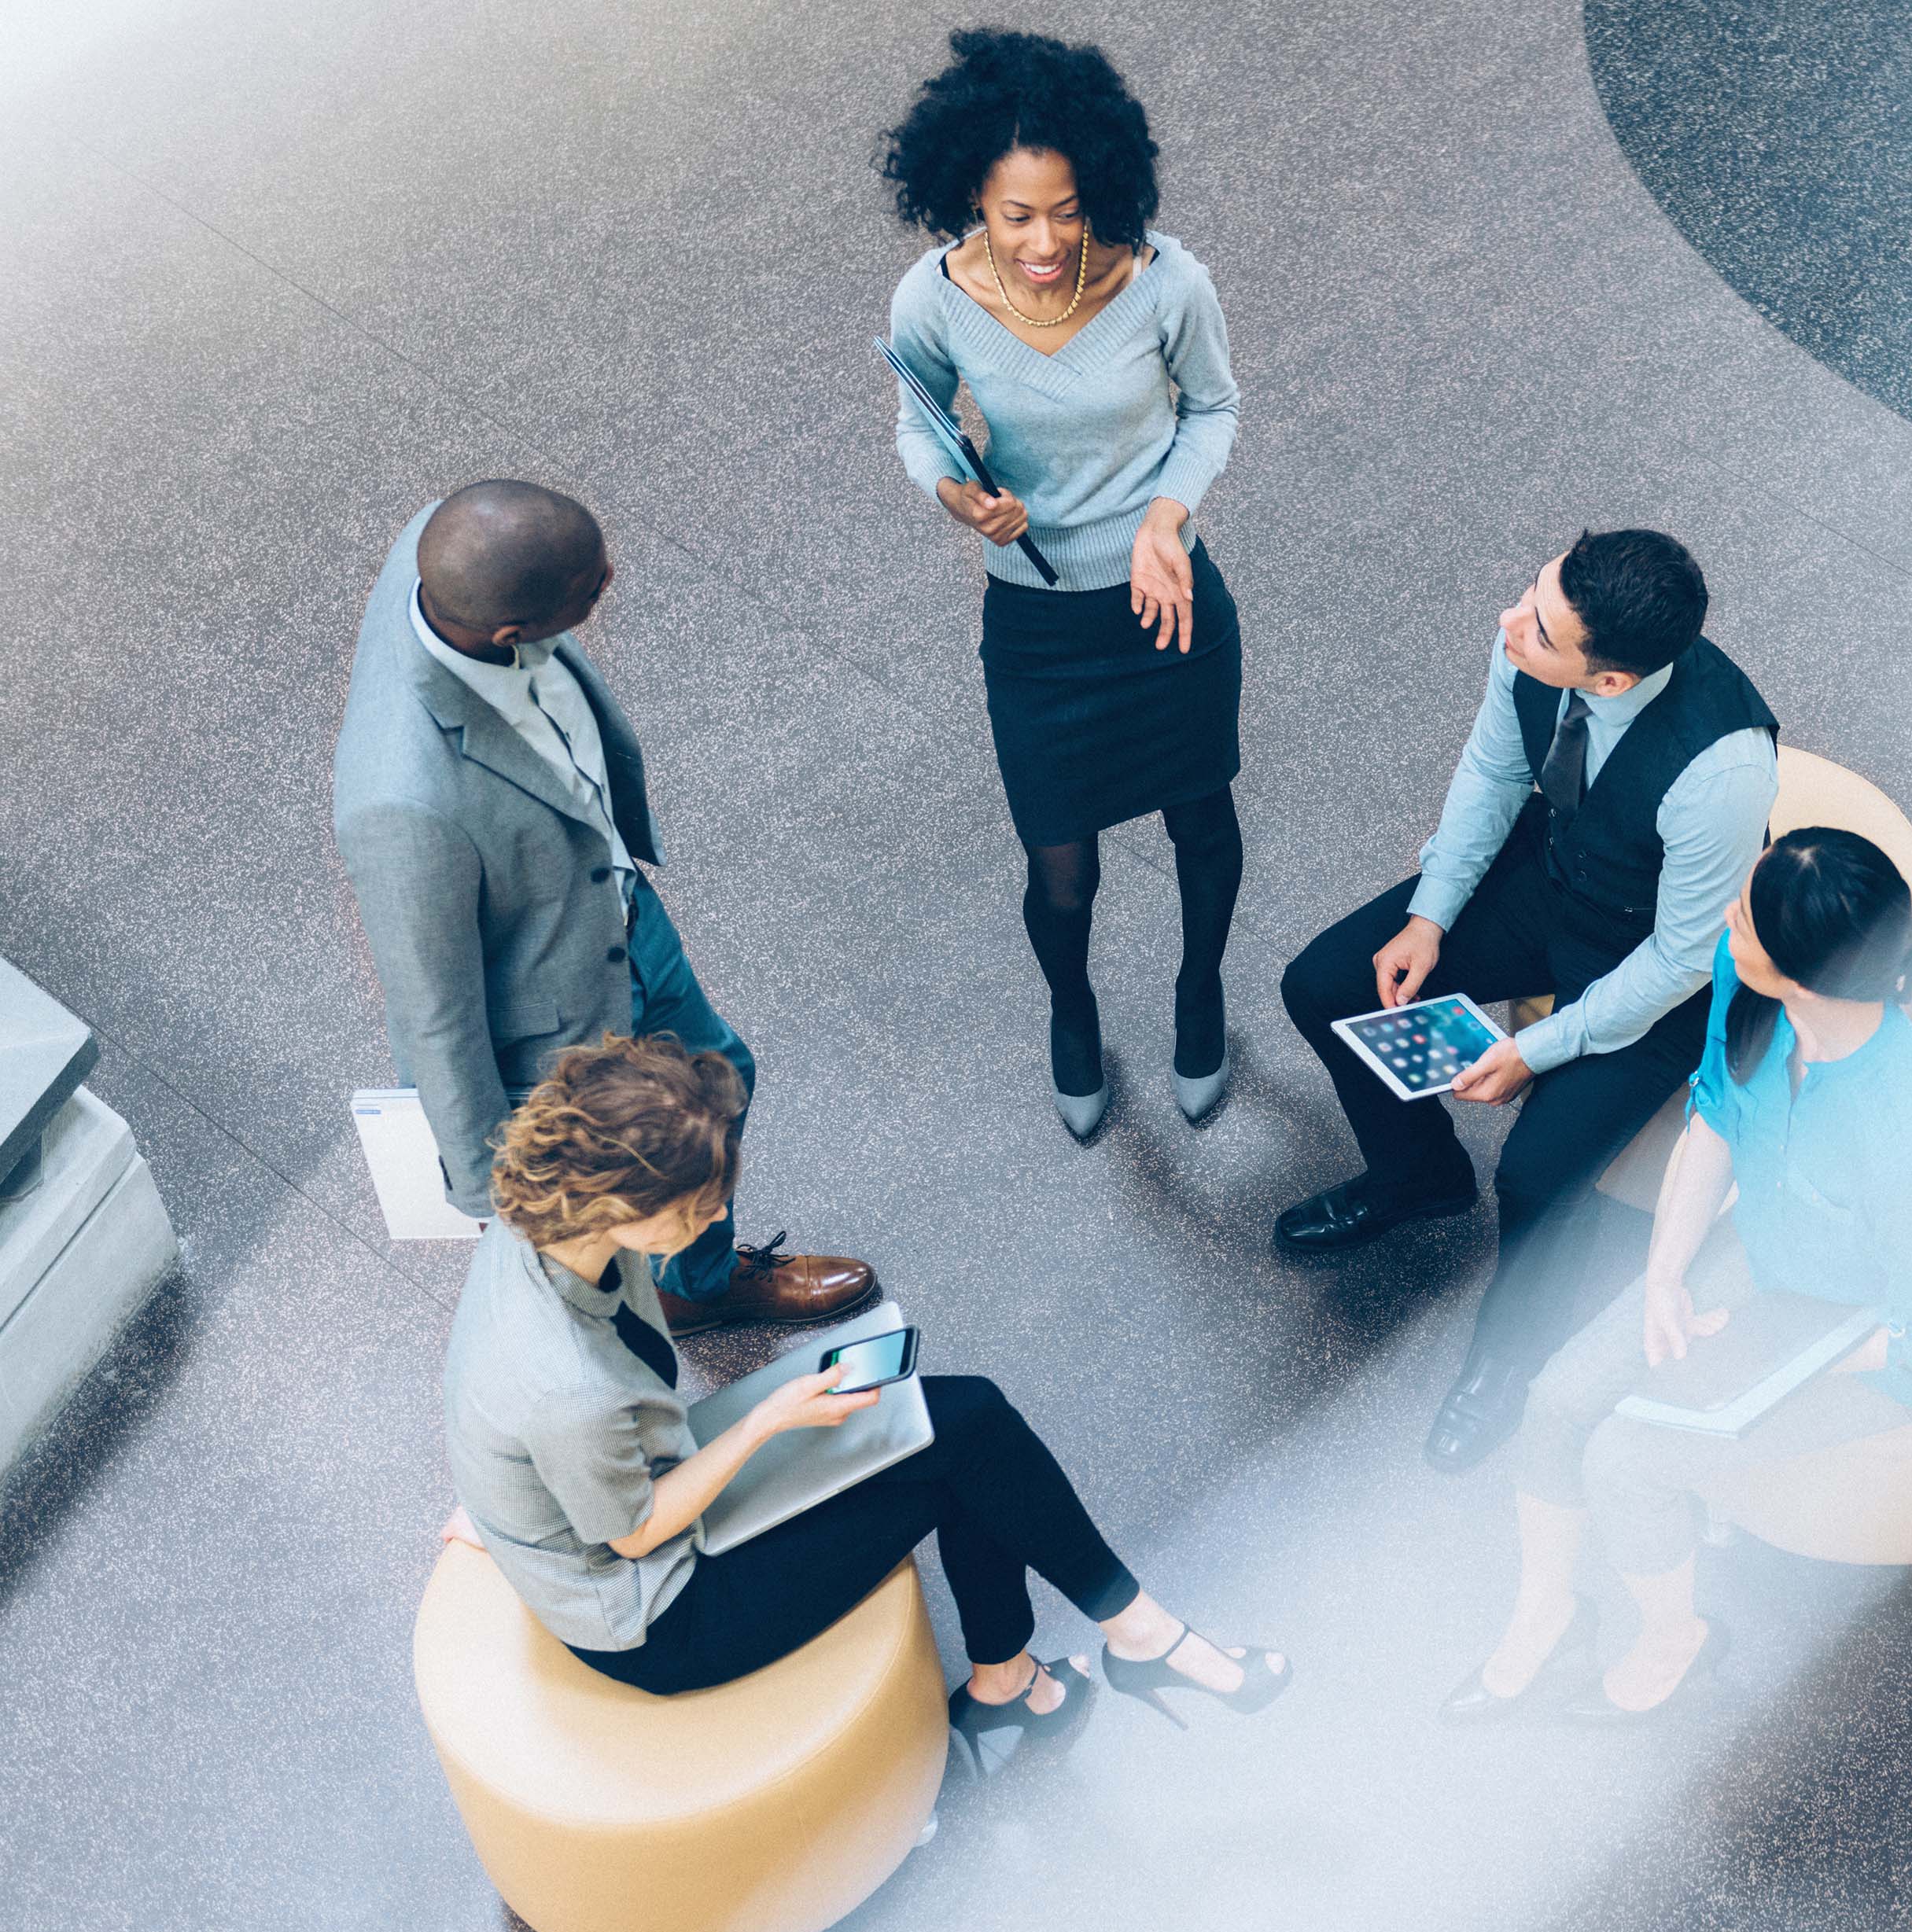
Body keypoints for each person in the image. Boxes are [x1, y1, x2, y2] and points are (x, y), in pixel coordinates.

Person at [439, 1034, 1288, 1768]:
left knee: (968, 1419)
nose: (707, 1226)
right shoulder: (565, 1386)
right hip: (664, 1614)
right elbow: (635, 1531)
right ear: (622, 1203)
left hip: (640, 1486)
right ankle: (1088, 1658)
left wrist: (522, 1497)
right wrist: (770, 1418)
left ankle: (1079, 1654)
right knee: (962, 1459)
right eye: (694, 1210)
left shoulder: (542, 1221)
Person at [1446, 830, 1912, 1723]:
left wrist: (1752, 1353)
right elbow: (1715, 1119)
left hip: (1876, 1335)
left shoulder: (1902, 1122)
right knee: (1557, 1399)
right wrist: (1667, 1276)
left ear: (1805, 972)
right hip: (1773, 1254)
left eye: (1744, 917)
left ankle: (1680, 1638)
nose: (1723, 920)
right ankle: (1548, 1615)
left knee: (1629, 1460)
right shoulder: (1752, 992)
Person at [1276, 531, 1778, 1473]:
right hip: (1552, 879)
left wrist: (1536, 1052)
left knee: (1538, 1175)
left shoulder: (1723, 769)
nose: (1511, 622)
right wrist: (1431, 917)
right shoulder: (1526, 641)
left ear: (1613, 680)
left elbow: (1681, 957)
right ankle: (1417, 1175)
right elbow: (1495, 776)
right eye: (1530, 596)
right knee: (1324, 981)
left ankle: (1510, 1360)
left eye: (1542, 629)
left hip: (1648, 956)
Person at [333, 481, 873, 1335]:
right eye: (593, 588)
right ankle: (665, 1308)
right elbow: (432, 1010)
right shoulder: (403, 803)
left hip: (618, 911)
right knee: (638, 1179)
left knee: (723, 1081)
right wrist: (493, 1190)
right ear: (510, 632)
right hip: (560, 1021)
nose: (611, 578)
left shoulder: (449, 550)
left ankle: (693, 1278)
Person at [879, 29, 1246, 1141]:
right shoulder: (931, 301)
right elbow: (919, 429)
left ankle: (1199, 993)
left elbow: (1214, 410)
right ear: (969, 204)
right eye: (1014, 215)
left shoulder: (1168, 282)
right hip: (1035, 621)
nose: (1043, 241)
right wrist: (959, 499)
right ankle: (1072, 1008)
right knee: (1061, 864)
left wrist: (1166, 520)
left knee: (1202, 818)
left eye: (1068, 209)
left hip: (1166, 597)